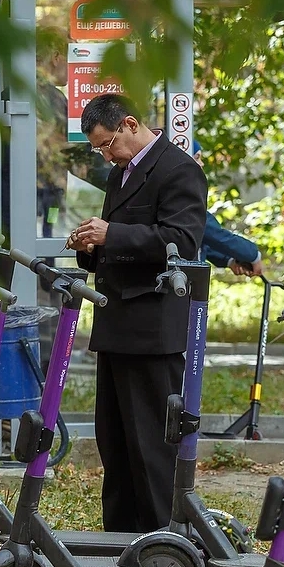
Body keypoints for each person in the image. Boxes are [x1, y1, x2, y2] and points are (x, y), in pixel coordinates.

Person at [65, 94, 207, 533]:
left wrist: (114, 235)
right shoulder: (119, 175)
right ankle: (121, 537)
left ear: (130, 124)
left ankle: (164, 538)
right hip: (116, 325)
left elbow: (181, 241)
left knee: (151, 445)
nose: (106, 155)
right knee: (116, 442)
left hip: (152, 329)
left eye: (108, 144)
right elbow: (118, 243)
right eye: (98, 149)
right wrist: (90, 247)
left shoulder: (178, 169)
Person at [191, 140, 264, 277]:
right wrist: (253, 255)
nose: (202, 164)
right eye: (196, 158)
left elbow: (198, 239)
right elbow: (211, 232)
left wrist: (229, 260)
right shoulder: (183, 196)